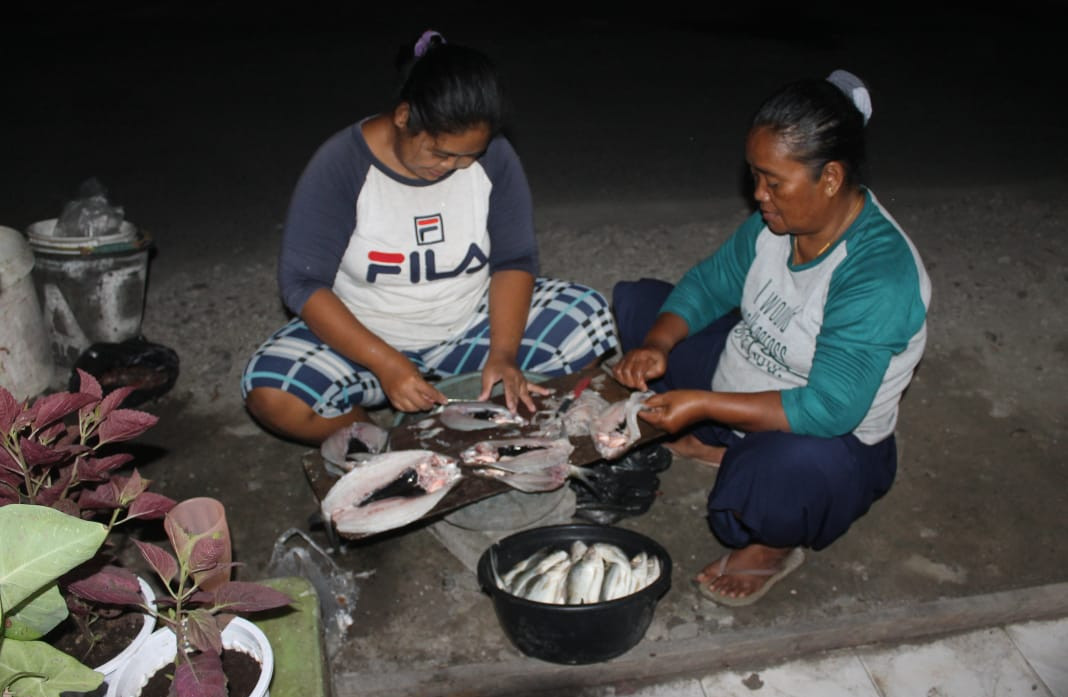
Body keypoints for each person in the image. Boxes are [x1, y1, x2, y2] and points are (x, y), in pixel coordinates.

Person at [611, 70, 931, 606]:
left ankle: (770, 546)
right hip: (748, 373)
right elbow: (708, 285)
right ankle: (724, 443)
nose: (758, 194)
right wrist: (658, 345)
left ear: (830, 178)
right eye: (755, 176)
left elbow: (829, 409)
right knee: (642, 305)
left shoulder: (877, 275)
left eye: (772, 181)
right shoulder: (774, 225)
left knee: (781, 480)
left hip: (827, 439)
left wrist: (701, 403)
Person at [242, 30, 617, 445]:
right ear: (404, 118)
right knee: (275, 394)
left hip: (467, 321)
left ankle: (496, 416)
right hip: (366, 333)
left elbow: (514, 259)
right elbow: (302, 283)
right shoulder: (342, 164)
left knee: (588, 319)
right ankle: (384, 445)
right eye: (440, 153)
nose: (453, 166)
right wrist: (386, 363)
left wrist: (504, 353)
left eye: (468, 155)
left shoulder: (494, 157)